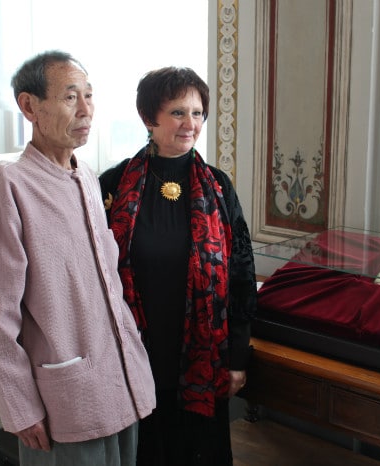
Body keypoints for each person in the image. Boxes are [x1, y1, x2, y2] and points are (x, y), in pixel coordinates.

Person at [0, 50, 156, 465]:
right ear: (29, 106)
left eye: (89, 95)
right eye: (71, 97)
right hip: (65, 397)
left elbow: (107, 282)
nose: (86, 109)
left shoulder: (86, 175)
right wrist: (19, 407)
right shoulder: (6, 183)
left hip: (120, 381)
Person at [99, 66, 257, 466]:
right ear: (149, 118)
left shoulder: (219, 188)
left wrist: (238, 358)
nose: (191, 124)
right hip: (133, 352)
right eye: (177, 113)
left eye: (198, 113)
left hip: (202, 355)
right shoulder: (112, 186)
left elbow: (241, 273)